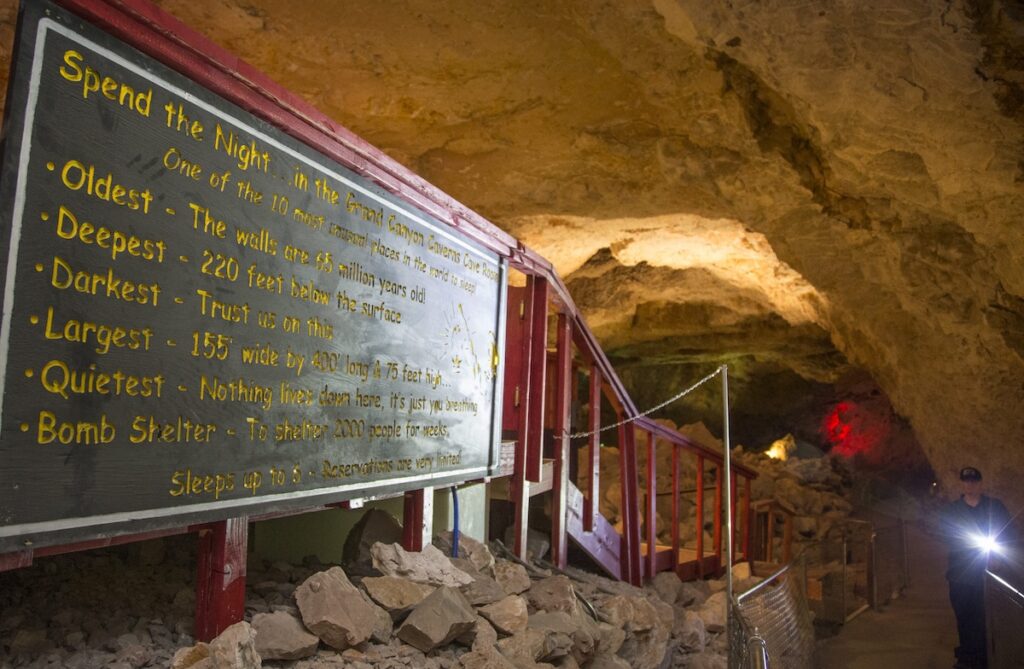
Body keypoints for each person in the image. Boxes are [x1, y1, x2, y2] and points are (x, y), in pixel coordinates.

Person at [939, 466, 1012, 669]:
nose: (970, 485)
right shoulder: (952, 510)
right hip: (960, 574)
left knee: (984, 616)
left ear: (980, 483)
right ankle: (967, 656)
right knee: (964, 615)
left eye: (974, 481)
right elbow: (945, 533)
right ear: (962, 484)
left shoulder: (994, 507)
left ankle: (984, 656)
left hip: (987, 574)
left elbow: (1007, 532)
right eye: (966, 481)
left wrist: (997, 557)